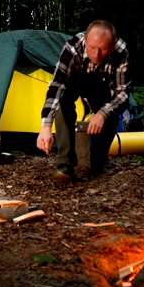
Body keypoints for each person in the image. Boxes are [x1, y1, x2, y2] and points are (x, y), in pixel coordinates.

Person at [36, 20, 130, 180]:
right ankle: (65, 165)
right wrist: (45, 126)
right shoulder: (72, 48)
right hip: (75, 81)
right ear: (85, 40)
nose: (97, 54)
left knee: (112, 114)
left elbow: (122, 92)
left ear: (113, 44)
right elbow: (57, 86)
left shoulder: (121, 51)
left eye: (103, 49)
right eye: (92, 48)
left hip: (103, 86)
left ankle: (99, 164)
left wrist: (102, 113)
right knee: (62, 101)